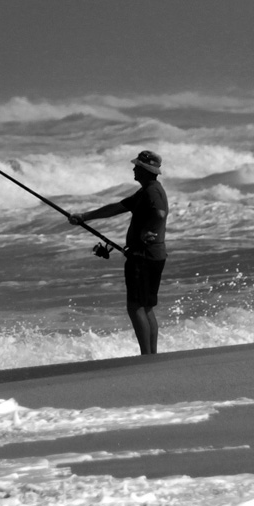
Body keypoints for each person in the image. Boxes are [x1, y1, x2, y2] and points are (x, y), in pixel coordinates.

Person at [67, 150, 168, 355]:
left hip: (144, 256)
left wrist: (145, 233)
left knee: (135, 306)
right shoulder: (147, 190)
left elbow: (160, 213)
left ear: (145, 169)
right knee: (145, 306)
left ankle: (146, 356)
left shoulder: (152, 191)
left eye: (137, 166)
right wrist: (84, 217)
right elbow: (117, 207)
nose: (134, 168)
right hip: (151, 255)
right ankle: (151, 356)